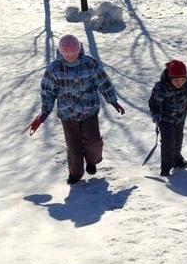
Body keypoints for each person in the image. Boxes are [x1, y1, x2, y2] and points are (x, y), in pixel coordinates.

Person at [28, 34, 125, 184]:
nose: (71, 58)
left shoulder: (90, 64)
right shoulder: (54, 69)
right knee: (73, 147)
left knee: (93, 142)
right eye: (67, 55)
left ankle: (91, 161)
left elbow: (103, 82)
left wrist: (113, 101)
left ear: (79, 50)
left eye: (73, 54)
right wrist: (44, 112)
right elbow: (48, 91)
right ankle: (75, 173)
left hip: (89, 111)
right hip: (68, 115)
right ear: (61, 53)